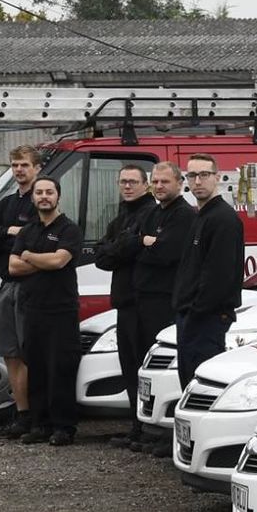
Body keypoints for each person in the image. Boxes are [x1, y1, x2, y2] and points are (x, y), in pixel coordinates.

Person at [9, 175, 85, 446]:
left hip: (61, 311)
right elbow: (12, 267)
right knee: (37, 368)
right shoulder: (29, 230)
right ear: (33, 197)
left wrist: (29, 256)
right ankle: (40, 424)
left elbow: (58, 261)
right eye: (39, 192)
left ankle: (64, 427)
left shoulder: (69, 230)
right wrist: (39, 260)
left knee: (60, 369)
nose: (44, 196)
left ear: (58, 196)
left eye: (49, 192)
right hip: (32, 310)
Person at [171, 153, 245, 431]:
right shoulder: (201, 216)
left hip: (207, 318)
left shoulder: (223, 219)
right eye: (191, 176)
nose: (197, 181)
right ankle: (187, 442)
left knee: (202, 389)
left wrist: (195, 310)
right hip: (191, 314)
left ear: (217, 177)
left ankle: (200, 441)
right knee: (189, 386)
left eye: (204, 175)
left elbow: (219, 275)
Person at [0, 143, 41, 438]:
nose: (19, 170)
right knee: (10, 354)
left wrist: (19, 239)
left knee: (33, 353)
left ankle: (39, 414)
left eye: (24, 165)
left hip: (34, 287)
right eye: (15, 165)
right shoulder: (5, 206)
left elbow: (39, 242)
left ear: (37, 168)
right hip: (7, 285)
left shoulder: (43, 200)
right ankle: (21, 414)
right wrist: (9, 233)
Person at [90, 163, 154, 445]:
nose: (127, 186)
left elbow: (138, 250)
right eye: (123, 182)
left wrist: (125, 245)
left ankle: (149, 429)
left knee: (144, 369)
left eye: (132, 182)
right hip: (124, 304)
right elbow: (101, 257)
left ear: (145, 185)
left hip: (144, 304)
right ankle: (136, 426)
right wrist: (128, 243)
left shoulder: (151, 213)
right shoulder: (120, 217)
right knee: (129, 368)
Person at [134, 161, 194, 456]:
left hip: (166, 299)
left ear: (179, 183)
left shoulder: (183, 215)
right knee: (149, 369)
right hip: (146, 298)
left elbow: (167, 252)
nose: (159, 186)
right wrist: (143, 243)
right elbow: (130, 245)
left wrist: (147, 246)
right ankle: (151, 430)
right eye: (155, 182)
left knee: (168, 368)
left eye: (164, 182)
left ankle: (168, 434)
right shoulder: (152, 213)